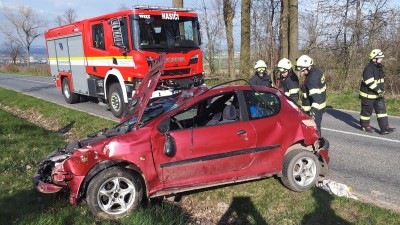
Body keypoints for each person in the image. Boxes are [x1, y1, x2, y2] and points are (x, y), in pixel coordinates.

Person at [359, 49, 395, 135]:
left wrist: (382, 90)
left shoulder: (379, 68)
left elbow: (381, 81)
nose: (382, 59)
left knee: (382, 111)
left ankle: (384, 127)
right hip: (368, 96)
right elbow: (369, 82)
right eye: (380, 58)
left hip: (378, 95)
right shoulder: (368, 68)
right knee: (366, 112)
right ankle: (365, 126)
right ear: (374, 58)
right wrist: (378, 90)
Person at [296, 55, 327, 135]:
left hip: (315, 108)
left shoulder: (311, 79)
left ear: (309, 67)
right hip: (321, 105)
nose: (301, 73)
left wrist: (313, 112)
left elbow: (317, 98)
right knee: (316, 128)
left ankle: (318, 145)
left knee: (314, 130)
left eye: (303, 71)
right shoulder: (317, 71)